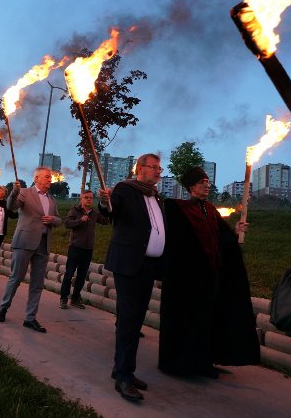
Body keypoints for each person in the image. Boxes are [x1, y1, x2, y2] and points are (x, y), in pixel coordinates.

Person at [158, 166, 260, 379]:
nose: (207, 185)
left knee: (208, 321)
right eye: (201, 182)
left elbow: (221, 239)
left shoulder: (211, 210)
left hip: (212, 277)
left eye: (207, 182)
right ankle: (185, 364)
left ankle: (205, 361)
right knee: (190, 322)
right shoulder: (179, 209)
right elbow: (178, 244)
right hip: (189, 280)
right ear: (191, 187)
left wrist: (235, 232)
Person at [97, 153, 165, 402]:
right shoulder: (125, 189)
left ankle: (123, 369)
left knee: (136, 321)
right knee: (128, 320)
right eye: (154, 167)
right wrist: (104, 202)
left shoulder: (154, 195)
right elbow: (110, 212)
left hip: (147, 266)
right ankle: (124, 377)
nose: (159, 171)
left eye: (160, 167)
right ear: (141, 168)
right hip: (128, 265)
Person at [0, 167, 61, 333]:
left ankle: (30, 318)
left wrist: (53, 219)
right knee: (16, 278)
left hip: (43, 244)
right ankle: (3, 308)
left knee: (37, 284)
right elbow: (11, 207)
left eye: (50, 177)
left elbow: (59, 220)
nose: (49, 180)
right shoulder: (24, 192)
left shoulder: (52, 199)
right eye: (47, 177)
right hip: (25, 242)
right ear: (37, 178)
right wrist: (14, 192)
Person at [60, 190, 109, 309]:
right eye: (86, 197)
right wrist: (79, 220)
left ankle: (75, 298)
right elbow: (67, 223)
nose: (89, 200)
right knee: (69, 274)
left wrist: (108, 208)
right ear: (81, 199)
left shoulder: (94, 213)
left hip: (88, 249)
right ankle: (64, 298)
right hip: (75, 247)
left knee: (82, 276)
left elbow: (106, 221)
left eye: (91, 198)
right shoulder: (74, 211)